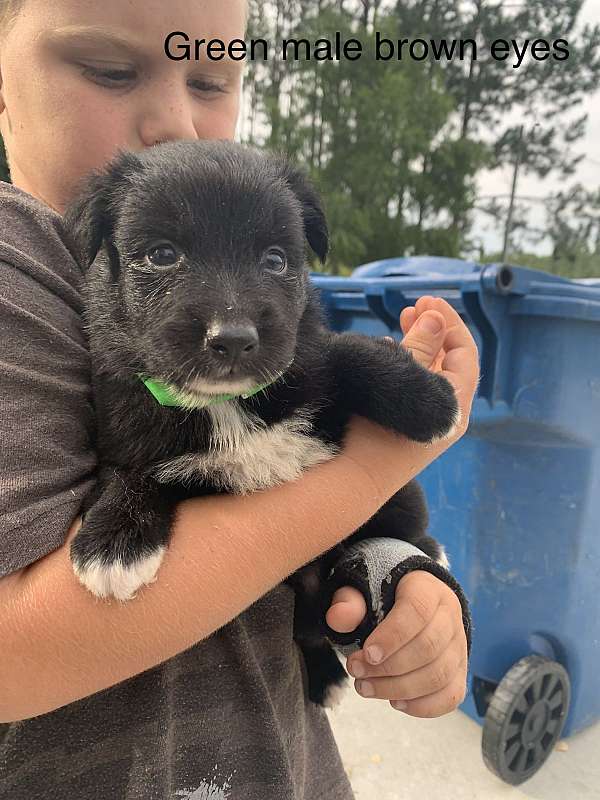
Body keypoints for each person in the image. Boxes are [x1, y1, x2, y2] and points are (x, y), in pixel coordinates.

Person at [0, 1, 481, 798]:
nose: (176, 124)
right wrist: (384, 460)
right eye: (111, 70)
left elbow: (350, 473)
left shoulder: (302, 345)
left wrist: (406, 577)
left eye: (212, 79)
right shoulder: (25, 270)